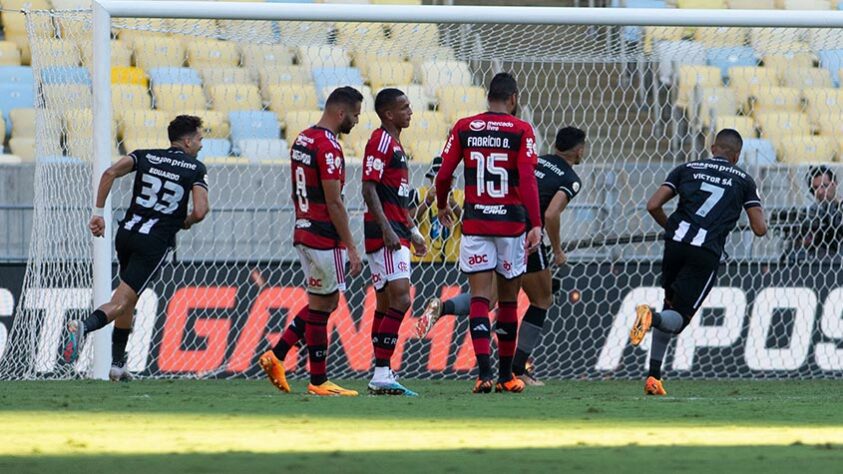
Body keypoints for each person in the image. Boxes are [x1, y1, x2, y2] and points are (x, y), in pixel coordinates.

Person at [415, 127, 586, 387]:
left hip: (499, 222)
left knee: (488, 298)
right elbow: (551, 215)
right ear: (579, 150)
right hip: (527, 234)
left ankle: (444, 307)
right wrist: (558, 251)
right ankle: (517, 369)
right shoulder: (571, 178)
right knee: (542, 299)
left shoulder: (536, 160)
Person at [64, 115, 210, 381]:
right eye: (199, 139)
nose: (201, 144)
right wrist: (185, 222)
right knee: (121, 302)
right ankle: (82, 327)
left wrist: (98, 213)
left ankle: (118, 364)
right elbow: (200, 211)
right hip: (153, 242)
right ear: (187, 141)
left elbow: (109, 172)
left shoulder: (145, 156)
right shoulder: (195, 168)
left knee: (129, 297)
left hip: (127, 234)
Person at [630, 128, 767, 396]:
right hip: (704, 252)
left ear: (713, 148)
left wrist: (672, 229)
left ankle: (653, 377)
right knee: (677, 318)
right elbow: (759, 229)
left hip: (675, 245)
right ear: (736, 156)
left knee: (669, 306)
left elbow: (652, 205)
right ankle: (650, 317)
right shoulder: (744, 180)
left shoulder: (686, 168)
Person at [435, 72, 542, 394]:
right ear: (513, 98)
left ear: (489, 97)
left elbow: (443, 174)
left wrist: (442, 204)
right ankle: (507, 376)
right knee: (508, 300)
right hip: (511, 224)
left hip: (477, 221)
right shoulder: (522, 129)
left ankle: (483, 374)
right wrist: (535, 223)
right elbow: (526, 179)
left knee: (480, 298)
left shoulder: (465, 127)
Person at [258, 86, 363, 397]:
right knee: (323, 305)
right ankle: (317, 380)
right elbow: (334, 202)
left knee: (324, 302)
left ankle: (277, 356)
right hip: (323, 234)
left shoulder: (303, 138)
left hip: (303, 227)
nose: (356, 121)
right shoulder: (329, 147)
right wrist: (351, 246)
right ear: (340, 112)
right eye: (355, 115)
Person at [361, 88, 427, 396]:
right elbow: (368, 188)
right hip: (386, 234)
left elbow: (396, 198)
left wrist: (412, 232)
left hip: (396, 230)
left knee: (386, 302)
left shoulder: (395, 144)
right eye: (404, 107)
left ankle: (381, 373)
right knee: (401, 299)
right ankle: (383, 373)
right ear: (388, 114)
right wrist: (389, 230)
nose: (410, 111)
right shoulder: (381, 141)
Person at [780, 165, 843, 262]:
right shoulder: (811, 213)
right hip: (815, 264)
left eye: (825, 186)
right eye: (816, 188)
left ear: (834, 184)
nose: (820, 191)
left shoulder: (840, 208)